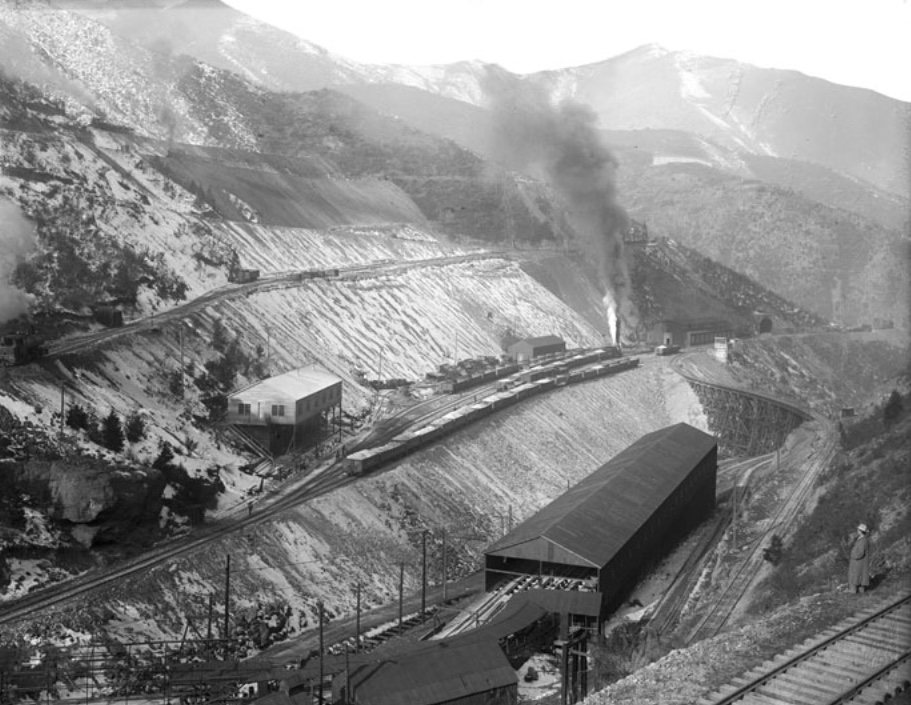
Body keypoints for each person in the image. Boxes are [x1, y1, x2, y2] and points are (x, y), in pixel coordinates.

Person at [848, 523, 871, 593]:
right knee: (860, 577)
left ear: (860, 531)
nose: (857, 531)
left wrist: (853, 556)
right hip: (859, 562)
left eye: (858, 530)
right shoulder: (862, 539)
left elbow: (860, 553)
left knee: (855, 576)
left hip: (858, 562)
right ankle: (861, 592)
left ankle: (853, 591)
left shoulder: (863, 540)